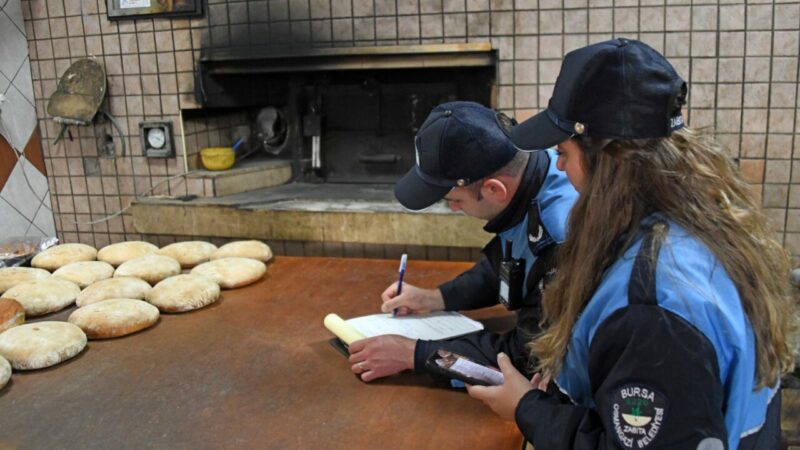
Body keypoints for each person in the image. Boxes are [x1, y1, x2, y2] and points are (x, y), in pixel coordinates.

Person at [466, 38, 797, 449]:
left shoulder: (652, 306)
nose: (561, 166)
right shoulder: (693, 224)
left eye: (564, 151)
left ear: (610, 161)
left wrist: (527, 407)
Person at [347, 101, 578, 383]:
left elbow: (527, 358)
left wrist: (414, 354)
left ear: (494, 190)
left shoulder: (560, 239)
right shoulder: (531, 166)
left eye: (454, 200)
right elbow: (506, 266)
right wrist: (435, 298)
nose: (454, 209)